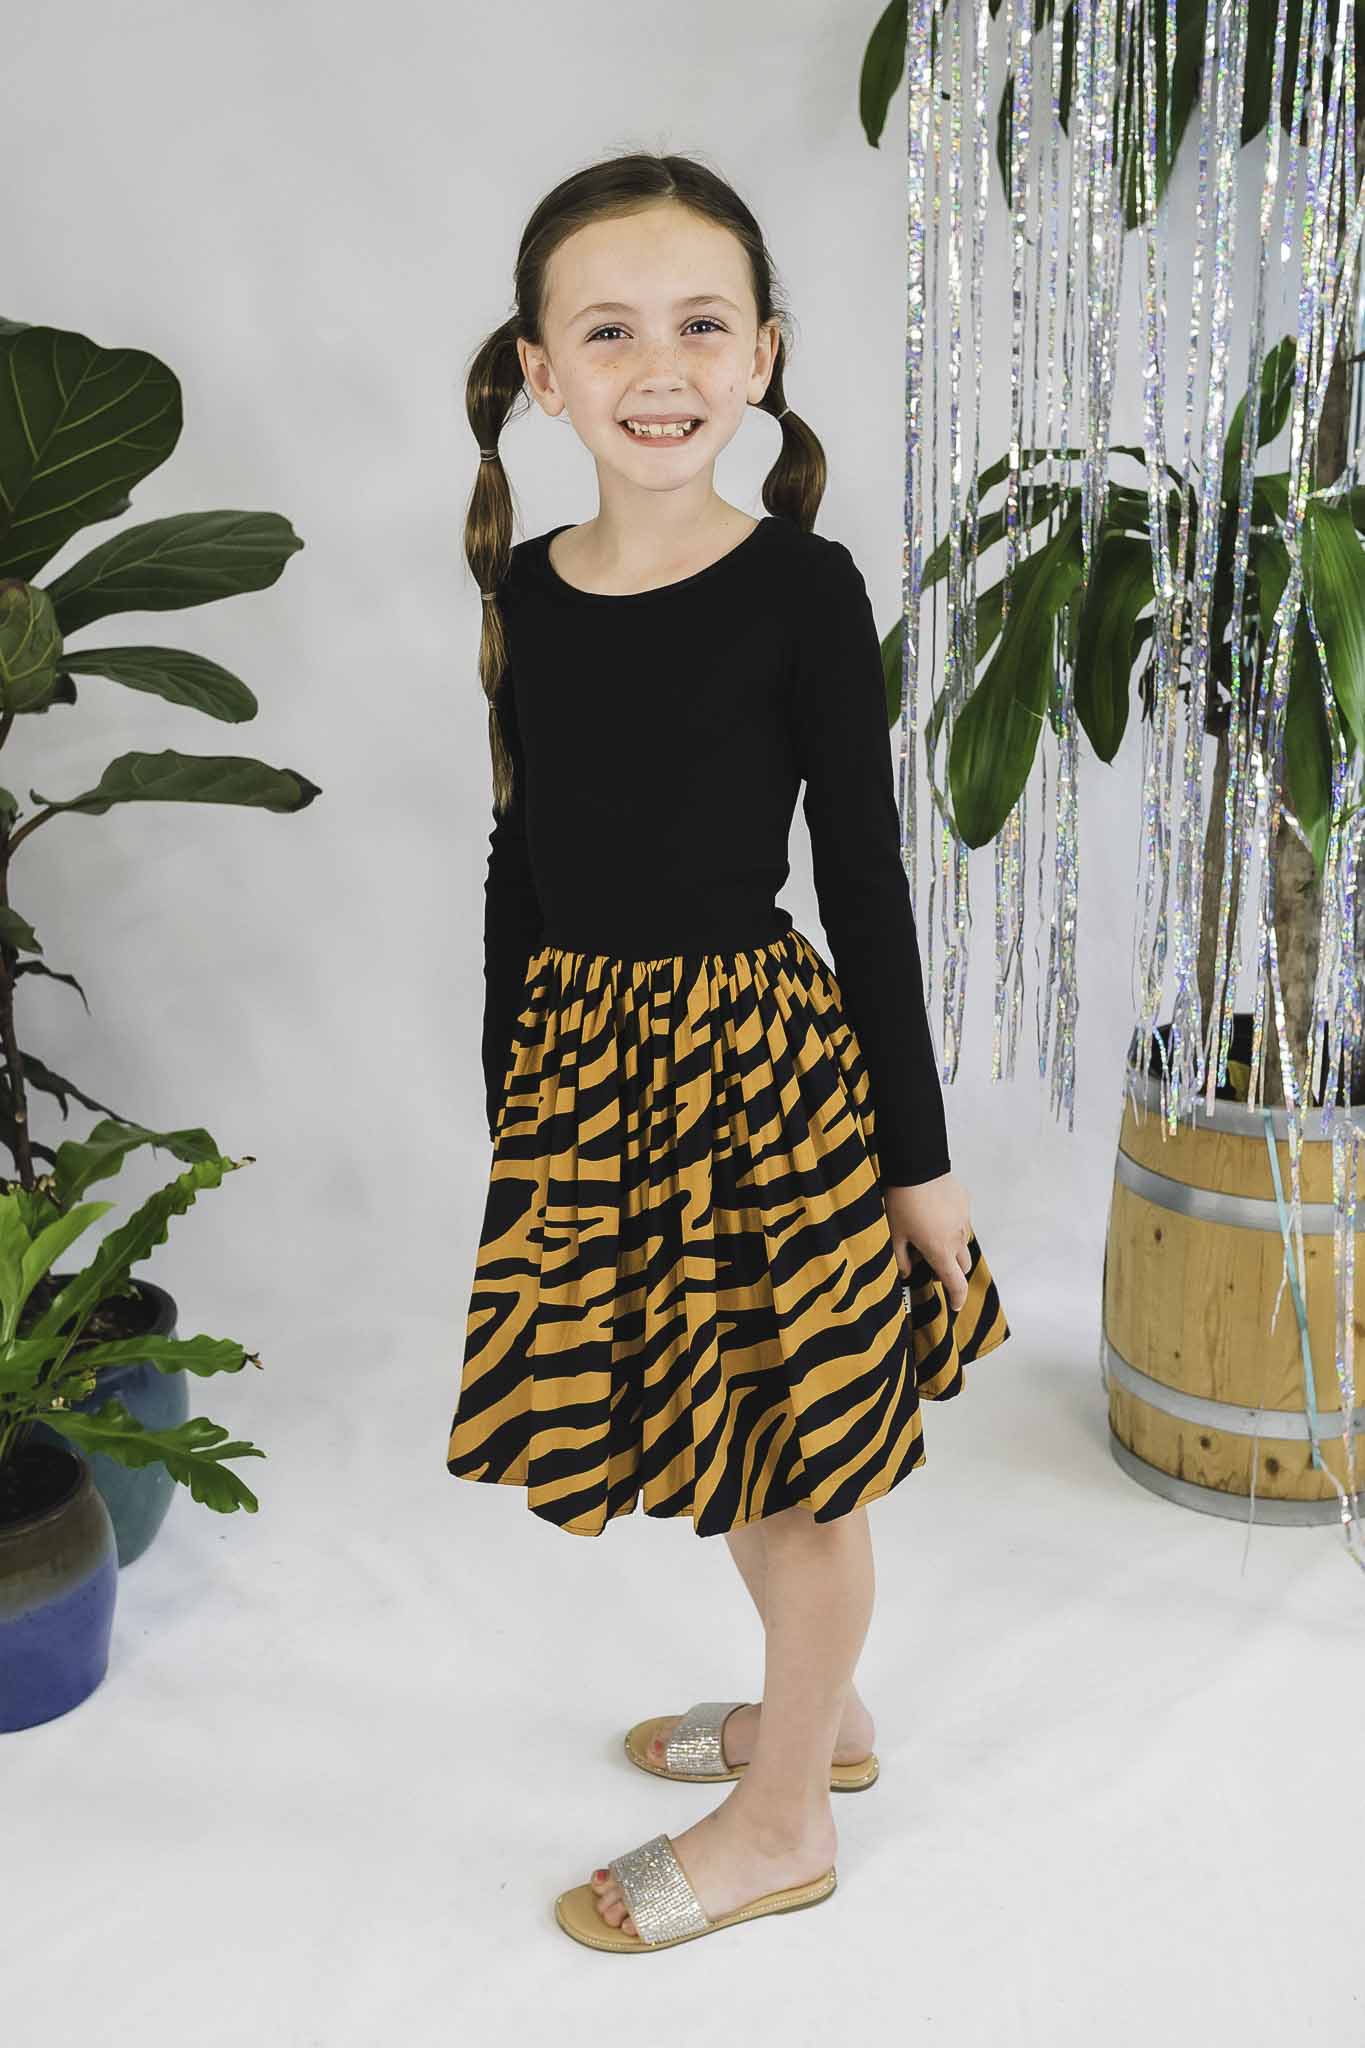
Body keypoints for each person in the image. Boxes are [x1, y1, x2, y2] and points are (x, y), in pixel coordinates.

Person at [448, 151, 1011, 1955]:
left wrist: (917, 1166)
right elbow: (520, 855)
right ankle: (811, 1721)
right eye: (608, 331)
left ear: (761, 355)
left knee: (793, 1453)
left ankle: (782, 1824)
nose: (660, 366)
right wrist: (517, 1100)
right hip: (601, 1087)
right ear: (541, 373)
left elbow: (864, 880)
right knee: (715, 1419)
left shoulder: (800, 589)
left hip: (760, 1082)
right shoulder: (531, 587)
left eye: (701, 325)